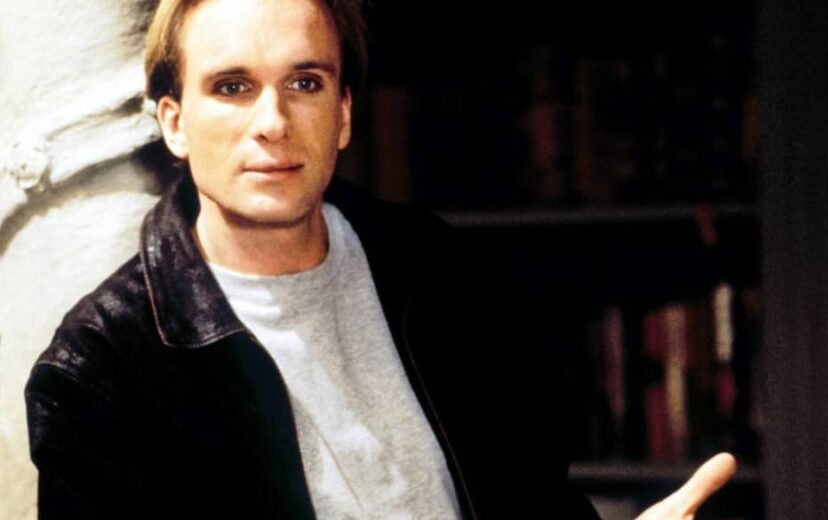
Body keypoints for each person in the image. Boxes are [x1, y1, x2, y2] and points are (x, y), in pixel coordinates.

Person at [24, 0, 736, 518]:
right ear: (174, 123)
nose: (272, 122)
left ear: (342, 116)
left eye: (304, 83)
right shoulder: (96, 374)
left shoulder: (440, 272)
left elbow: (533, 499)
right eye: (232, 87)